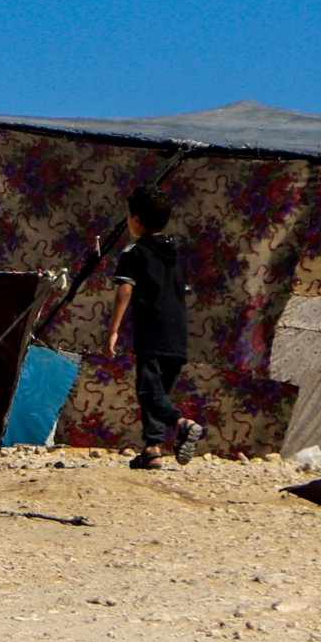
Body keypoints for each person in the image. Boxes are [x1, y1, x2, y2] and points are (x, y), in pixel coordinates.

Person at [105, 185, 203, 469]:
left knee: (148, 392)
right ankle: (152, 449)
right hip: (177, 332)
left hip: (153, 331)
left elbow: (125, 290)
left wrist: (113, 330)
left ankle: (181, 424)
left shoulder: (134, 252)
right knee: (159, 391)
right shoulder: (174, 255)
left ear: (135, 219)